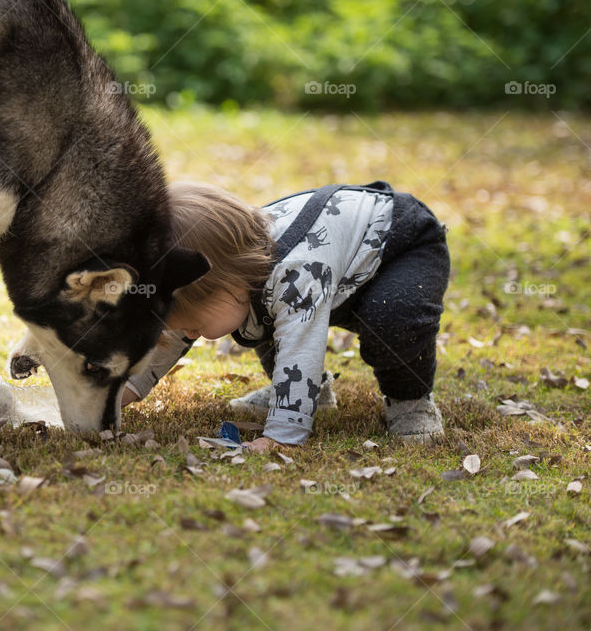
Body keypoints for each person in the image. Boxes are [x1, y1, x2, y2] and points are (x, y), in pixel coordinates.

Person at [122, 180, 450, 446]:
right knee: (260, 316)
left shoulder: (295, 271)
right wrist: (117, 393)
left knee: (392, 317)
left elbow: (300, 346)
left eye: (192, 326)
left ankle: (410, 400)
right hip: (336, 277)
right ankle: (314, 393)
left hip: (402, 247)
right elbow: (165, 342)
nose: (189, 334)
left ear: (228, 283)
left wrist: (281, 436)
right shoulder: (232, 275)